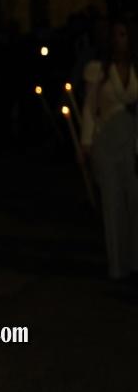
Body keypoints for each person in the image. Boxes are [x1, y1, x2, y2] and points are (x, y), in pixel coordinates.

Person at [81, 20, 138, 280]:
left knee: (134, 202)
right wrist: (86, 142)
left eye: (124, 35)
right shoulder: (98, 70)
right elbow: (90, 108)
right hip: (106, 141)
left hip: (131, 143)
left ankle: (134, 260)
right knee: (112, 203)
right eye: (116, 35)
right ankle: (117, 265)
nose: (120, 40)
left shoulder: (136, 69)